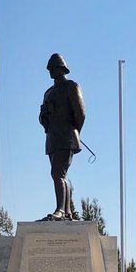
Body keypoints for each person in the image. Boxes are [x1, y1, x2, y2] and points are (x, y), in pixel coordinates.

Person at [38, 53, 86, 220]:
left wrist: (74, 132)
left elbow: (80, 114)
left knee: (58, 173)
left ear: (62, 68)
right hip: (52, 137)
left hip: (66, 136)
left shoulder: (71, 86)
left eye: (53, 67)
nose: (50, 70)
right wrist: (44, 115)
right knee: (58, 174)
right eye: (49, 68)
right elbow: (43, 121)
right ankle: (66, 212)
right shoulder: (48, 92)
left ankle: (60, 210)